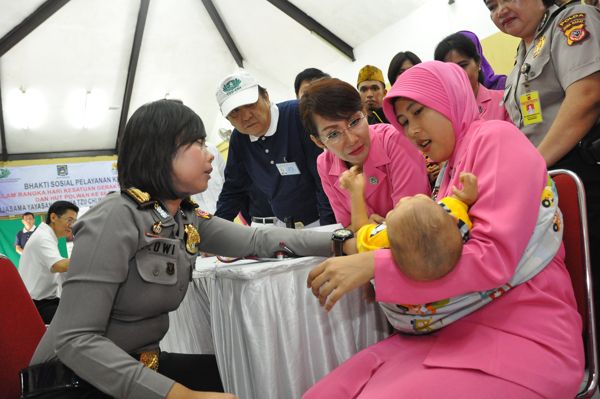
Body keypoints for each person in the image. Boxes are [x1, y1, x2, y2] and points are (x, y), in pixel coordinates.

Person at [303, 61, 583, 398]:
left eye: (419, 112)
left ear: (450, 98)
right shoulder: (450, 172)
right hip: (449, 326)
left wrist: (372, 266)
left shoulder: (495, 138)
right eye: (403, 122)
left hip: (522, 331)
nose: (412, 131)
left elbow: (492, 259)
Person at [25, 99, 337, 399]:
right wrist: (182, 395)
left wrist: (340, 241)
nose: (210, 154)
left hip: (140, 364)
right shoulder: (114, 218)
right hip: (76, 381)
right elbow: (75, 341)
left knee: (251, 373)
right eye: (198, 143)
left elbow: (257, 240)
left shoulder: (183, 217)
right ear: (162, 152)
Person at [484, 0, 600, 326]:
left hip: (585, 173)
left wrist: (530, 166)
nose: (500, 10)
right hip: (552, 183)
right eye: (491, 6)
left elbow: (587, 95)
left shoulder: (571, 21)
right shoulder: (524, 53)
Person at [299, 78, 430, 231]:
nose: (352, 139)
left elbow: (411, 224)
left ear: (365, 112)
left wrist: (363, 227)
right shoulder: (325, 164)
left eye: (354, 122)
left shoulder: (397, 141)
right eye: (333, 134)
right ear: (318, 142)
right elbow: (347, 228)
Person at [215, 70, 335, 228]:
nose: (245, 116)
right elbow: (233, 189)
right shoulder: (239, 138)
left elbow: (323, 178)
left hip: (322, 219)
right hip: (283, 226)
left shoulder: (298, 115)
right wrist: (215, 230)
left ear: (265, 96)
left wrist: (329, 229)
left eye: (249, 104)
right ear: (227, 119)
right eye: (235, 112)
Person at [339, 166, 476, 282]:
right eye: (415, 198)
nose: (404, 199)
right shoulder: (447, 213)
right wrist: (465, 197)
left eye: (394, 212)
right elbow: (459, 201)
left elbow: (360, 231)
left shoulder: (385, 241)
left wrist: (356, 193)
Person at [18, 201, 79, 324]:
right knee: (78, 320)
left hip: (45, 300)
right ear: (53, 217)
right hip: (36, 305)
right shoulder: (43, 237)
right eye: (69, 220)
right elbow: (59, 265)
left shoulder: (47, 236)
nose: (72, 225)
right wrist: (90, 258)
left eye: (74, 222)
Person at [434, 32, 510, 121]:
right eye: (449, 70)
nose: (458, 74)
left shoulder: (504, 101)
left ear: (478, 63)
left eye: (463, 65)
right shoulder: (443, 116)